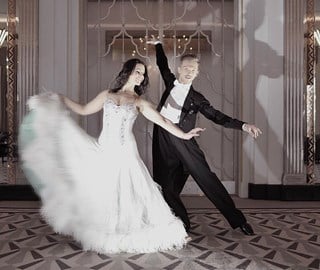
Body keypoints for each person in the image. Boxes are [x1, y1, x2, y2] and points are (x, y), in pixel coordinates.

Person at [18, 58, 204, 254]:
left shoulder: (139, 101)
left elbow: (162, 120)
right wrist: (61, 99)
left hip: (126, 151)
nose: (141, 76)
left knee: (135, 190)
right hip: (105, 148)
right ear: (127, 72)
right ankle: (107, 230)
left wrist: (183, 134)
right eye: (137, 71)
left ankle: (159, 230)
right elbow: (83, 109)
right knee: (105, 188)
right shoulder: (106, 95)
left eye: (143, 74)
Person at [147, 37, 262, 235]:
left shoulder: (197, 98)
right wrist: (158, 45)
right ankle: (182, 223)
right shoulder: (170, 82)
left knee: (207, 180)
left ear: (197, 73)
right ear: (180, 69)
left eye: (193, 69)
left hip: (185, 139)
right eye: (186, 67)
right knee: (165, 184)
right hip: (162, 137)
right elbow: (162, 64)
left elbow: (217, 117)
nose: (189, 71)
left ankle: (238, 220)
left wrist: (243, 126)